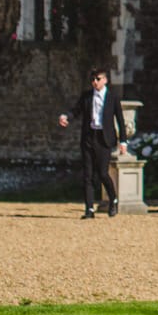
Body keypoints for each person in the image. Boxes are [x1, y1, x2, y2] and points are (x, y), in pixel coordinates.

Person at [58, 70, 122, 219]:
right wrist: (66, 116)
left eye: (98, 79)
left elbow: (120, 120)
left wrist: (123, 141)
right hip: (89, 136)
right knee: (87, 175)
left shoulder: (113, 98)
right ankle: (89, 209)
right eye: (92, 79)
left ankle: (113, 199)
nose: (95, 82)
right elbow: (76, 110)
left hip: (104, 138)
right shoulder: (87, 96)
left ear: (105, 80)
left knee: (102, 173)